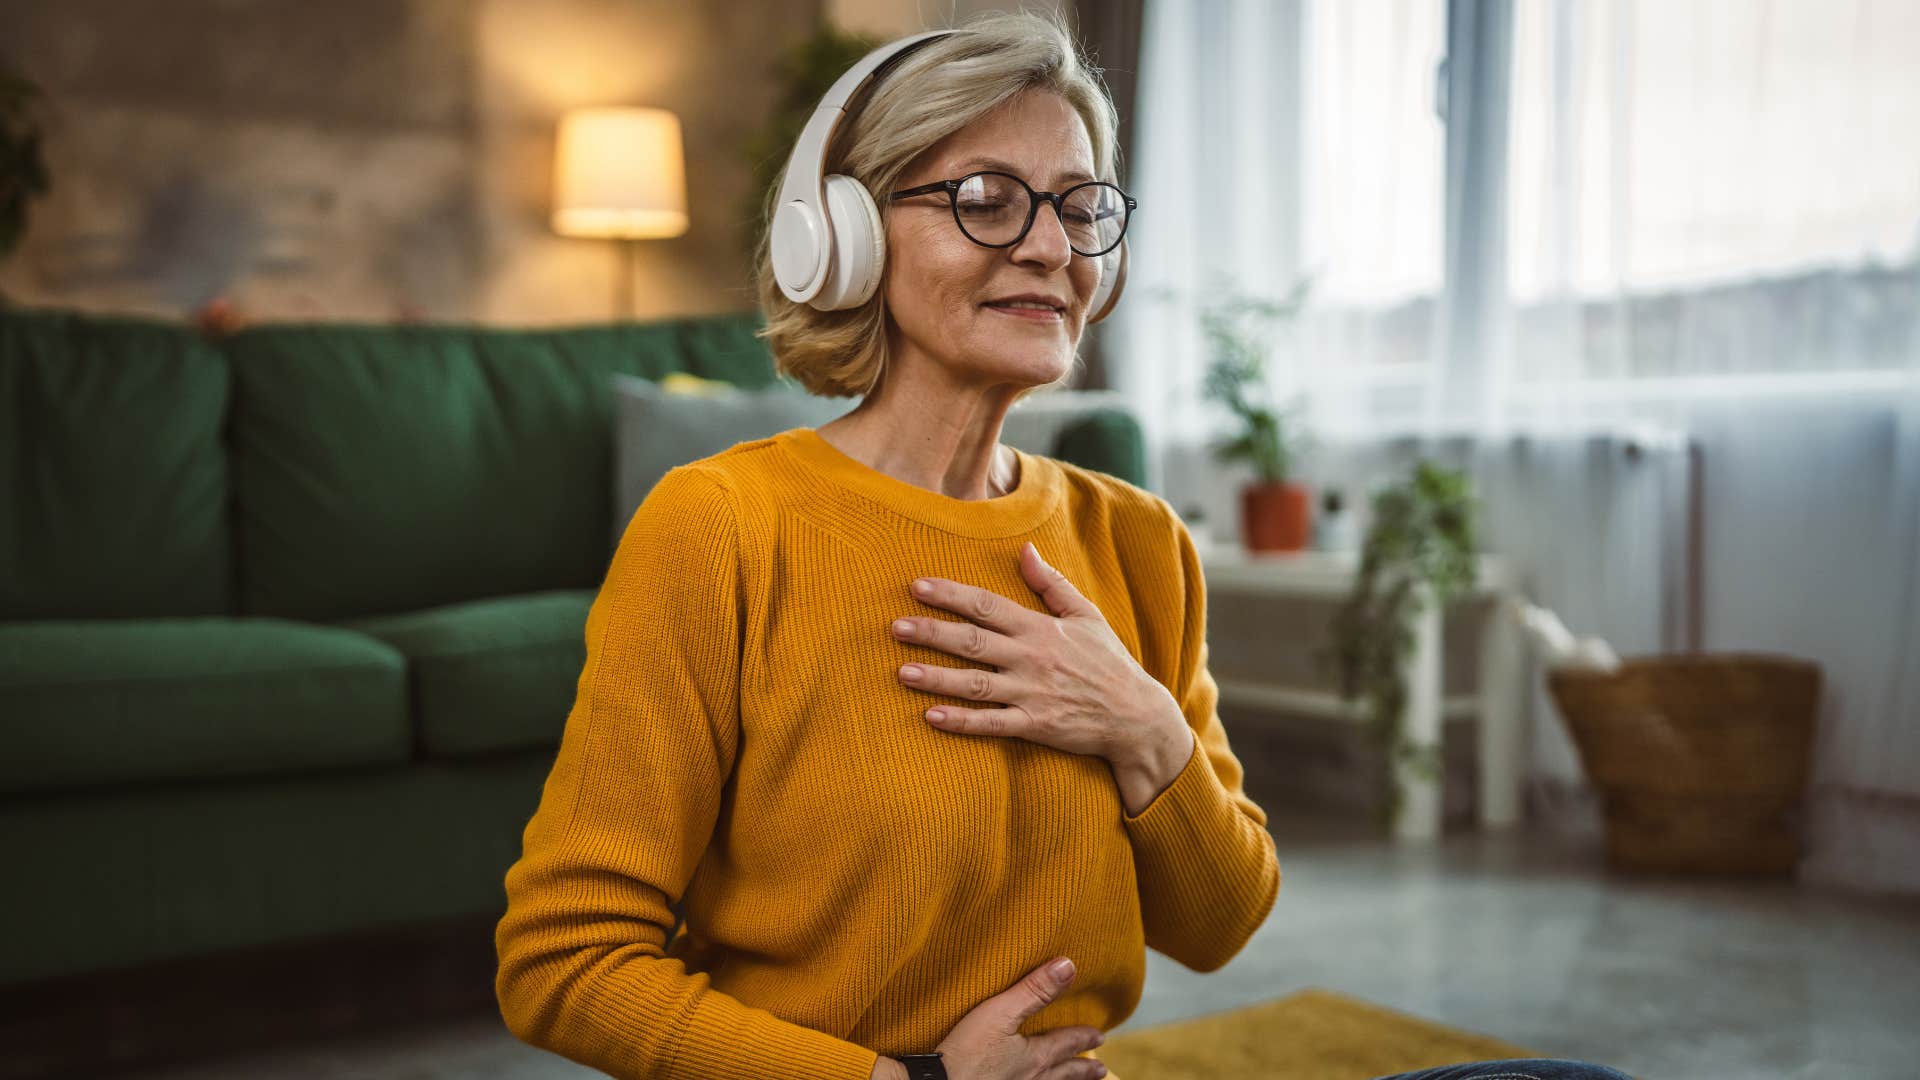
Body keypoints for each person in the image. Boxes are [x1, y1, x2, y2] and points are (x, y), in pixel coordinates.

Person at [494, 10, 1636, 1080]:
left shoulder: (1135, 538)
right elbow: (562, 959)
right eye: (987, 198)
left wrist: (1138, 723)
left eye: (1079, 205)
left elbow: (1223, 920)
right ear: (841, 235)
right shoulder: (724, 526)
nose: (1049, 247)